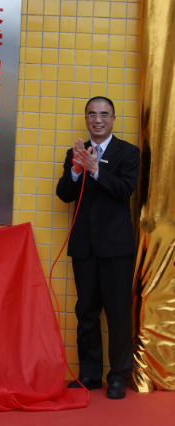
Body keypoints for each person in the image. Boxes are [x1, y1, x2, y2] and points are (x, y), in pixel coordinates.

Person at [56, 96, 140, 400]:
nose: (97, 119)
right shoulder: (75, 153)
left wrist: (95, 170)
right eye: (92, 114)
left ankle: (118, 377)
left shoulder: (128, 152)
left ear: (113, 119)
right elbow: (64, 194)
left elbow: (124, 190)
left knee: (118, 314)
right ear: (86, 119)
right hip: (84, 247)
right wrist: (77, 170)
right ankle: (89, 375)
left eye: (104, 114)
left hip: (116, 248)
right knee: (86, 313)